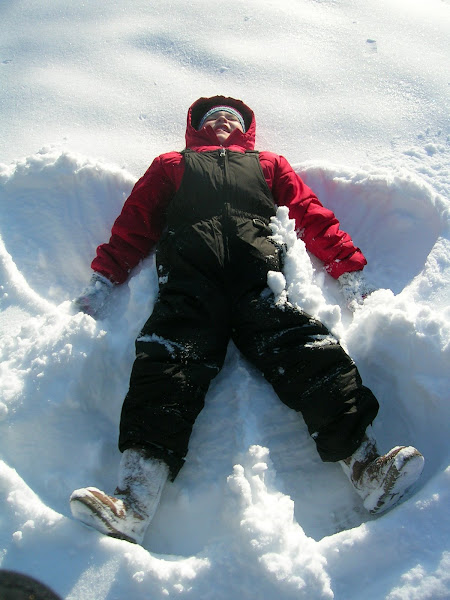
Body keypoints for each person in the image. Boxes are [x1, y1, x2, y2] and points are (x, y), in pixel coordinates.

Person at [70, 95, 424, 545]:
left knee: (312, 356)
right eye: (212, 117)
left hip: (260, 284)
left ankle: (368, 469)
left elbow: (310, 214)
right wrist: (103, 280)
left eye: (232, 118)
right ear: (196, 127)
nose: (222, 121)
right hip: (189, 285)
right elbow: (135, 223)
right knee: (165, 368)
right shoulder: (171, 164)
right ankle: (134, 501)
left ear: (245, 129)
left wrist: (349, 272)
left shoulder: (267, 164)